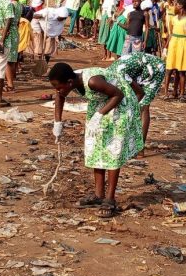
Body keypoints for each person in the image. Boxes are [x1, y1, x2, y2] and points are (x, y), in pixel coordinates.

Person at [49, 62, 143, 218]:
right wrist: (57, 123)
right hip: (102, 102)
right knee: (95, 148)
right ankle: (98, 195)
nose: (57, 90)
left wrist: (99, 115)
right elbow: (60, 96)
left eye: (59, 87)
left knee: (112, 150)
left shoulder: (92, 81)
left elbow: (118, 94)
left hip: (120, 104)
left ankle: (110, 199)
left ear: (70, 82)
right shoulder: (70, 79)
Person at [110, 52, 165, 158]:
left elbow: (140, 93)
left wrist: (131, 107)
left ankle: (140, 149)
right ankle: (132, 143)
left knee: (143, 106)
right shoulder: (109, 75)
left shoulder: (117, 74)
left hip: (154, 68)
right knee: (132, 107)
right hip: (140, 69)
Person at [164, 0, 186, 100]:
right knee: (169, 69)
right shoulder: (173, 19)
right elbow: (171, 34)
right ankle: (166, 93)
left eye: (177, 4)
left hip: (183, 43)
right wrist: (166, 46)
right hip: (173, 43)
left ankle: (182, 94)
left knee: (181, 71)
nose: (175, 6)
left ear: (181, 6)